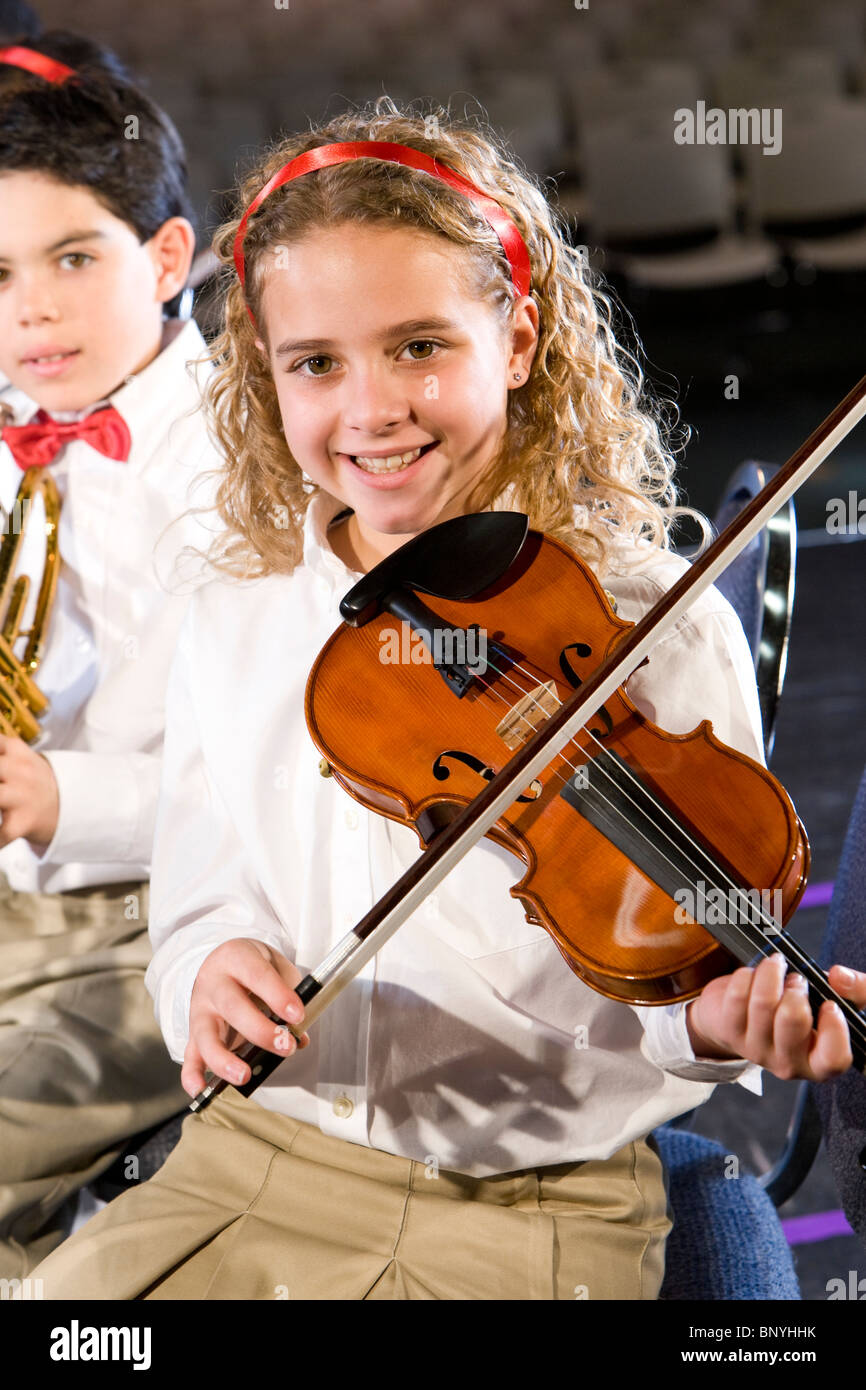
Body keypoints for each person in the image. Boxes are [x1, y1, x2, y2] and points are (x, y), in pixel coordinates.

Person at [29, 98, 866, 1301]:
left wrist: (724, 1019)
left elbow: (674, 985)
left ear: (517, 340)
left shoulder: (647, 628)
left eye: (420, 345)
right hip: (256, 1168)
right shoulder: (239, 605)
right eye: (316, 364)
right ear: (266, 377)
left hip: (531, 1208)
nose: (370, 410)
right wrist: (205, 969)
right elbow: (203, 881)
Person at [0, 32, 221, 1277]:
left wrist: (57, 795)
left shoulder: (233, 471)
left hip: (166, 923)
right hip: (26, 899)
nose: (29, 308)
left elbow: (264, 778)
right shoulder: (19, 429)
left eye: (72, 259)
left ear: (167, 256)